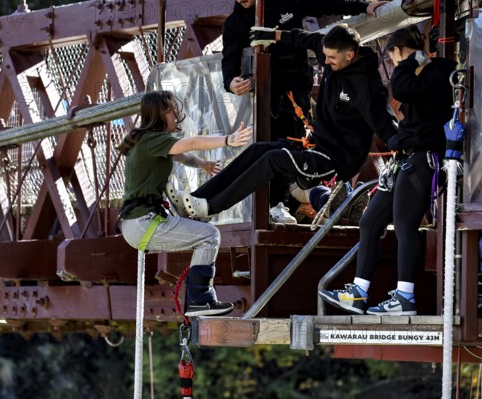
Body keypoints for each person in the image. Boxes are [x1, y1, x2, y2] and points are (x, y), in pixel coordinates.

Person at [172, 24, 397, 222]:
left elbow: (386, 124)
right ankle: (197, 198)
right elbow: (303, 38)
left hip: (336, 161)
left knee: (274, 159)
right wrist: (273, 35)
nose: (326, 62)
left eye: (332, 59)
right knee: (259, 149)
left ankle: (210, 208)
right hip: (316, 146)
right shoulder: (330, 52)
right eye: (324, 56)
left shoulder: (367, 87)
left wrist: (405, 145)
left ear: (350, 55)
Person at [319, 25, 457, 315]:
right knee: (370, 222)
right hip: (404, 157)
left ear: (399, 51)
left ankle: (405, 297)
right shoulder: (421, 72)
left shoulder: (437, 72)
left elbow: (403, 88)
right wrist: (411, 62)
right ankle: (359, 292)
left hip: (422, 158)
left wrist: (409, 61)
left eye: (393, 57)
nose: (394, 65)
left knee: (405, 225)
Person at [223, 0, 386, 223]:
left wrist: (362, 6)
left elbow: (322, 5)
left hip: (296, 88)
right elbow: (229, 58)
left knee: (291, 143)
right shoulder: (235, 23)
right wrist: (231, 82)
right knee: (268, 145)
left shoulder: (288, 3)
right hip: (264, 93)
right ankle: (273, 204)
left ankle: (280, 203)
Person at [118, 91, 252, 317]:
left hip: (139, 224)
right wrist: (228, 140)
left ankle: (199, 299)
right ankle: (200, 300)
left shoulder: (148, 141)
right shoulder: (152, 140)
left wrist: (203, 165)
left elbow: (181, 155)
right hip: (144, 223)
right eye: (171, 109)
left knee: (204, 237)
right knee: (209, 236)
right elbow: (190, 143)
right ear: (160, 113)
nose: (176, 113)